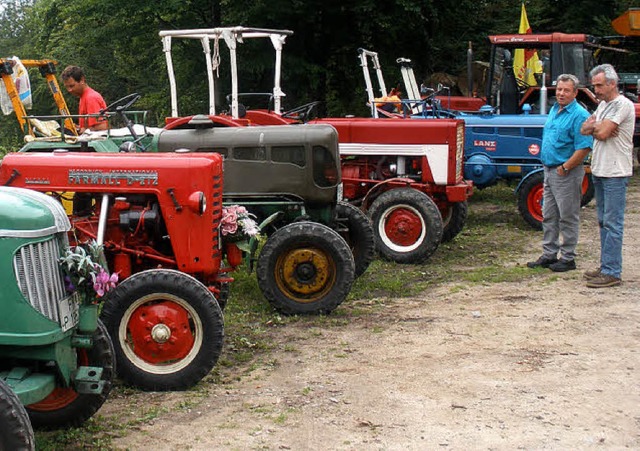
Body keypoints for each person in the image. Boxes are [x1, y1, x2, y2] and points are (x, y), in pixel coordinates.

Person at [527, 74, 593, 272]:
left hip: (566, 172)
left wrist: (565, 168)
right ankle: (549, 254)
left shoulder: (579, 115)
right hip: (549, 170)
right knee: (549, 214)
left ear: (575, 92)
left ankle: (568, 257)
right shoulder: (555, 109)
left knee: (568, 216)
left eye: (566, 90)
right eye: (559, 89)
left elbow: (584, 147)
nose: (561, 93)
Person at [580, 64, 635, 288]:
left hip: (615, 172)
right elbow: (585, 128)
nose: (596, 90)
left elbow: (601, 132)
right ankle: (606, 266)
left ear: (613, 83)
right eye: (594, 86)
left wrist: (599, 128)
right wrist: (598, 127)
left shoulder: (623, 105)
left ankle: (612, 271)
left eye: (600, 85)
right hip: (600, 170)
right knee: (603, 221)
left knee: (612, 222)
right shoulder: (602, 105)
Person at [60, 65, 108, 133]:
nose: (69, 90)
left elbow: (102, 127)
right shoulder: (83, 97)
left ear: (82, 80)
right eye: (67, 87)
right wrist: (77, 128)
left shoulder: (91, 98)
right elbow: (89, 126)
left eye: (72, 86)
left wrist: (80, 130)